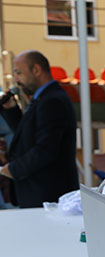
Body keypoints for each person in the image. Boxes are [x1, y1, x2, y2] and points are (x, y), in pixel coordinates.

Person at [0, 50, 78, 208]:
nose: (16, 80)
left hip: (47, 195)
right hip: (39, 194)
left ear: (36, 70)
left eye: (19, 73)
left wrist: (13, 169)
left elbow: (46, 149)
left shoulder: (52, 101)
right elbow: (29, 137)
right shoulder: (43, 99)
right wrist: (11, 111)